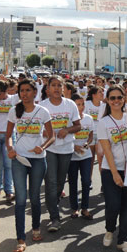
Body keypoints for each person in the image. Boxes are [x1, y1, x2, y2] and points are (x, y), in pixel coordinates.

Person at [5, 79, 54, 252]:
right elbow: (8, 135)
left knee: (34, 197)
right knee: (20, 199)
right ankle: (20, 238)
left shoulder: (43, 112)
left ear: (35, 92)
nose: (24, 93)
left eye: (27, 90)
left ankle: (35, 229)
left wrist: (43, 146)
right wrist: (10, 148)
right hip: (19, 159)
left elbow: (51, 136)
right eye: (21, 91)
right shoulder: (14, 111)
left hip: (38, 160)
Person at [98, 84, 127, 252]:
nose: (116, 101)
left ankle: (123, 240)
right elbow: (106, 150)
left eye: (119, 98)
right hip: (110, 169)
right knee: (113, 205)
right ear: (107, 100)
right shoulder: (103, 122)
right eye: (112, 98)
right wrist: (115, 173)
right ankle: (110, 229)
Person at [40, 75, 81, 232]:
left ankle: (53, 202)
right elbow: (37, 128)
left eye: (59, 85)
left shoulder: (70, 105)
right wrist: (45, 132)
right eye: (54, 85)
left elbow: (78, 126)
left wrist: (67, 130)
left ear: (64, 88)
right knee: (50, 182)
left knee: (59, 181)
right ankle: (54, 218)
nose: (57, 88)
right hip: (49, 148)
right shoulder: (42, 107)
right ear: (48, 89)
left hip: (66, 148)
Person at [68, 94, 94, 219]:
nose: (81, 107)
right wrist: (74, 147)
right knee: (73, 182)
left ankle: (85, 208)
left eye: (82, 104)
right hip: (72, 156)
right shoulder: (69, 120)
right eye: (78, 104)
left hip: (86, 155)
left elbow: (91, 135)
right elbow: (65, 136)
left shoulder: (89, 119)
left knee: (86, 181)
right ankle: (74, 208)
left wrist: (87, 143)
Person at [85, 86, 106, 179]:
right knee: (91, 158)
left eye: (102, 92)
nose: (102, 94)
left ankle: (104, 183)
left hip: (101, 134)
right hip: (90, 133)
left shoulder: (104, 105)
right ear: (93, 95)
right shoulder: (87, 104)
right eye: (100, 92)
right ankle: (88, 180)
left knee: (101, 158)